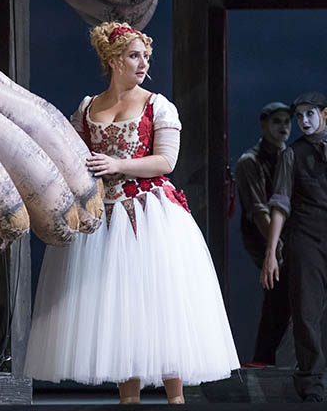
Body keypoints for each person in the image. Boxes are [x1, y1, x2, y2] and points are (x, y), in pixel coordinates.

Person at [24, 22, 239, 404]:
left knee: (160, 300)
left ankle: (176, 398)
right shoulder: (88, 107)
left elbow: (166, 161)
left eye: (145, 57)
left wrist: (118, 165)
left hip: (148, 213)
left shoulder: (157, 105)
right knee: (117, 308)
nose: (143, 64)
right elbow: (72, 155)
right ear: (112, 59)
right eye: (134, 56)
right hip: (103, 216)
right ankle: (129, 399)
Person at [261, 91, 327, 403]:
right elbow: (280, 203)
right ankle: (312, 383)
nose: (303, 121)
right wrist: (271, 252)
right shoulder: (293, 154)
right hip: (306, 237)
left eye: (310, 114)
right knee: (306, 311)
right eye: (299, 116)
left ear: (325, 114)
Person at [236, 102, 292, 366]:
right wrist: (276, 247)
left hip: (288, 236)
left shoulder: (289, 156)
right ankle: (264, 360)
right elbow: (259, 211)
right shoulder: (250, 161)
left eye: (287, 122)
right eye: (277, 121)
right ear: (264, 124)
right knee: (278, 288)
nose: (283, 127)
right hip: (262, 236)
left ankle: (272, 360)